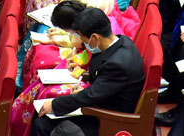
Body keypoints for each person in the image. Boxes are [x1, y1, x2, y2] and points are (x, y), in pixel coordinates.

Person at [31, 8, 145, 136]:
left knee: (42, 125)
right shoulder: (122, 40)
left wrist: (54, 105)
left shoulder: (117, 65)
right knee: (42, 112)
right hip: (103, 100)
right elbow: (100, 81)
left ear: (94, 37)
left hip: (108, 118)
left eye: (83, 38)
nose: (82, 42)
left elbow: (91, 95)